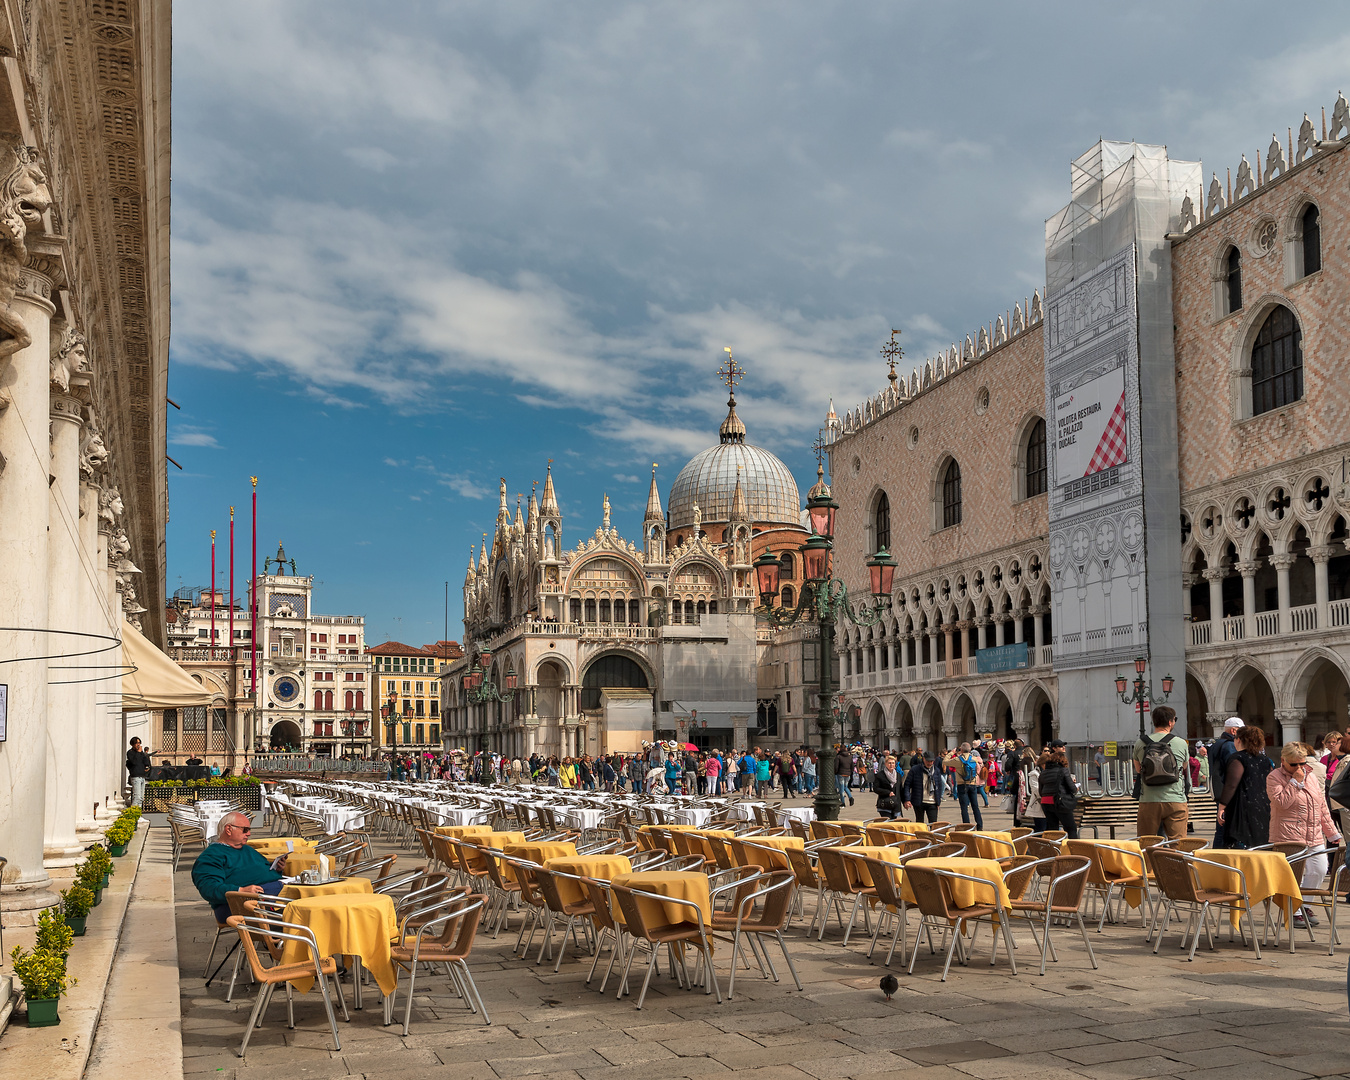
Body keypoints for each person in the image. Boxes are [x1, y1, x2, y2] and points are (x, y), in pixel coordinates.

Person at [1268, 742, 1342, 929]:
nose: (1299, 768)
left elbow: (1321, 806)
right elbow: (1281, 802)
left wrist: (1332, 832)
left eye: (1302, 763)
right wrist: (1294, 782)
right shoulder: (1274, 777)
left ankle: (1304, 905)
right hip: (1288, 834)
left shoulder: (1311, 776)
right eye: (1294, 764)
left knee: (1319, 869)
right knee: (1295, 875)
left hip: (1313, 833)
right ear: (1283, 761)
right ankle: (1294, 911)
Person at [190, 812, 285, 924]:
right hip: (241, 904)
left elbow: (263, 870)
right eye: (245, 830)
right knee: (299, 912)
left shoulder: (247, 849)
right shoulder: (212, 856)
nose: (249, 834)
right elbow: (209, 888)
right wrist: (241, 890)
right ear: (229, 829)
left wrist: (277, 869)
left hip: (270, 897)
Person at [1131, 705, 1190, 840]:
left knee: (1147, 843)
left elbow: (1139, 770)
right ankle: (1175, 861)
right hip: (1175, 799)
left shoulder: (1140, 743)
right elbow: (1184, 767)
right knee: (1178, 844)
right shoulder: (1181, 743)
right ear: (1170, 722)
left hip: (1149, 800)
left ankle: (1150, 862)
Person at [1216, 725, 1273, 849]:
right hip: (1263, 805)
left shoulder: (1238, 758)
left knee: (1240, 841)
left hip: (1242, 805)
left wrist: (1222, 806)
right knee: (1260, 842)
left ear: (1239, 740)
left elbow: (1231, 784)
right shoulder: (1266, 760)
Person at [1209, 717, 1243, 847]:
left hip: (1220, 789)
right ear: (1234, 731)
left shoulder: (1217, 743)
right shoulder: (1229, 745)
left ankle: (1216, 855)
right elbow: (1234, 769)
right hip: (1229, 791)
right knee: (1227, 827)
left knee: (1221, 827)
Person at [1037, 746, 1079, 839]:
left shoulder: (1043, 773)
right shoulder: (1063, 770)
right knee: (1071, 828)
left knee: (1052, 829)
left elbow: (1041, 792)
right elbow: (1072, 789)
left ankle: (1053, 849)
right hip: (1059, 802)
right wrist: (1076, 787)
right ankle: (1073, 850)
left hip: (1046, 803)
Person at [902, 750, 945, 823]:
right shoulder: (915, 770)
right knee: (919, 824)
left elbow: (939, 786)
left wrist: (938, 800)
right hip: (919, 801)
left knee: (933, 824)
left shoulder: (936, 771)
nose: (930, 763)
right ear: (923, 759)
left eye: (932, 761)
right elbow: (907, 785)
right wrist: (907, 799)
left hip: (932, 802)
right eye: (928, 761)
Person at [954, 743, 985, 829]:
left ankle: (967, 826)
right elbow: (981, 763)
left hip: (962, 784)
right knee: (975, 806)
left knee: (964, 808)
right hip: (972, 784)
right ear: (970, 750)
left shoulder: (958, 759)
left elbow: (945, 761)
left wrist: (952, 753)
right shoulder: (974, 758)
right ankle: (980, 825)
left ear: (961, 750)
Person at [873, 753, 902, 819]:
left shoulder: (898, 775)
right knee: (887, 823)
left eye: (893, 763)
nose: (891, 765)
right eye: (889, 763)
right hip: (884, 803)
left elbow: (900, 789)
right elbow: (875, 788)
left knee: (893, 824)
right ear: (885, 764)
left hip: (895, 804)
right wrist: (888, 792)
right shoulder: (880, 775)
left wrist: (906, 801)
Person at [125, 736, 151, 807]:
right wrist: (138, 753)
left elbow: (146, 762)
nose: (138, 745)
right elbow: (134, 762)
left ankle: (138, 814)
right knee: (137, 797)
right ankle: (134, 813)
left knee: (141, 798)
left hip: (142, 776)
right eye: (136, 743)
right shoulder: (130, 753)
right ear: (132, 744)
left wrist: (142, 753)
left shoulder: (141, 753)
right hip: (135, 776)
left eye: (139, 743)